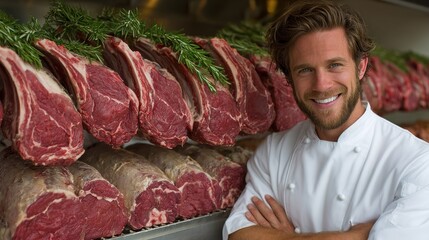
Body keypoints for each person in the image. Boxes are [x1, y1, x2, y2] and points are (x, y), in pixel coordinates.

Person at [223, 0, 429, 239]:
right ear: (289, 79)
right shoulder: (274, 152)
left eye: (334, 65)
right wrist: (355, 236)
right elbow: (239, 234)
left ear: (361, 67)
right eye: (305, 70)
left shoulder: (416, 161)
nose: (322, 85)